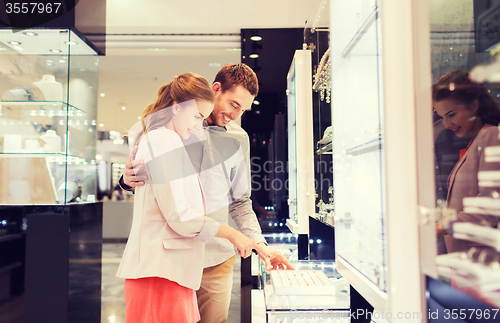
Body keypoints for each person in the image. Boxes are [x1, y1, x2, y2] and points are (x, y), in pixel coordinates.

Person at [119, 64, 293, 323]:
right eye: (233, 105)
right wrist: (125, 180)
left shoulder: (238, 139)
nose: (235, 115)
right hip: (170, 259)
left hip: (216, 257)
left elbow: (241, 201)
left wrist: (260, 245)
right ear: (216, 89)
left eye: (243, 110)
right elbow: (149, 185)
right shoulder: (168, 129)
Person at [433, 70, 500, 254]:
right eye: (442, 117)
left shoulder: (491, 135)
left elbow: (489, 208)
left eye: (451, 115)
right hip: (469, 257)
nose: (446, 124)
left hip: (481, 261)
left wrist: (438, 228)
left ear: (473, 106)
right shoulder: (477, 140)